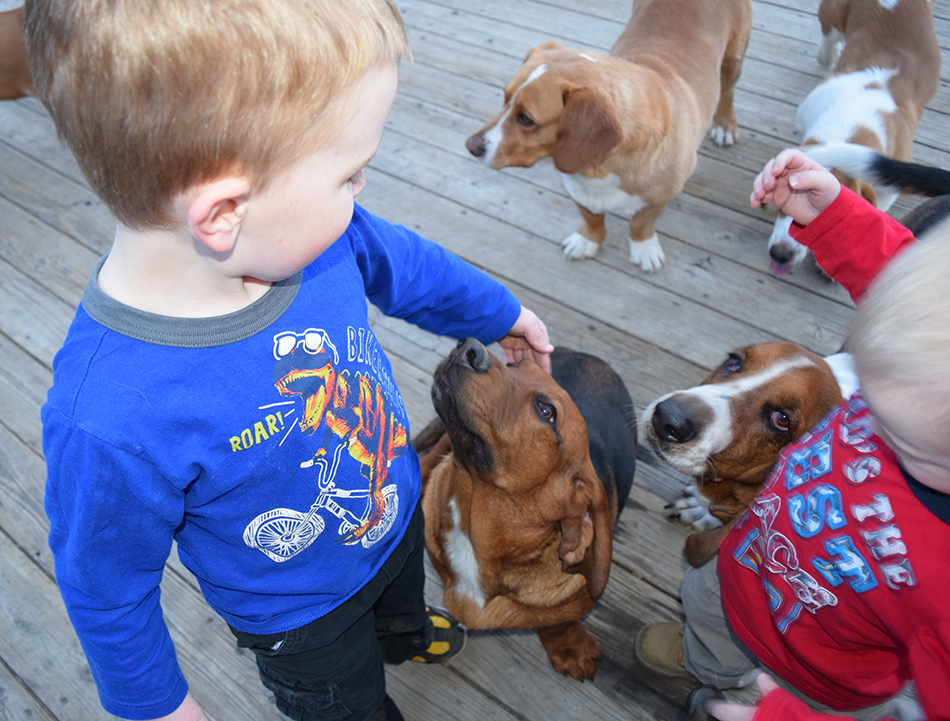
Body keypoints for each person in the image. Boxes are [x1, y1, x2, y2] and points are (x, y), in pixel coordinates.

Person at [27, 2, 554, 720]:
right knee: (348, 705)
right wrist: (155, 704)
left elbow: (404, 263)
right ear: (223, 214)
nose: (361, 191)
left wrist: (501, 313)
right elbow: (105, 588)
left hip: (388, 511)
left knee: (399, 597)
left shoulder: (312, 238)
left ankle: (401, 632)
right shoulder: (109, 419)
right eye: (351, 174)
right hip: (300, 618)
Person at [636, 149, 950, 721]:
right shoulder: (924, 364)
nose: (861, 426)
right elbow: (911, 304)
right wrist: (834, 216)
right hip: (738, 577)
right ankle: (705, 661)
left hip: (820, 681)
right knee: (704, 612)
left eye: (896, 435)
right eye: (865, 406)